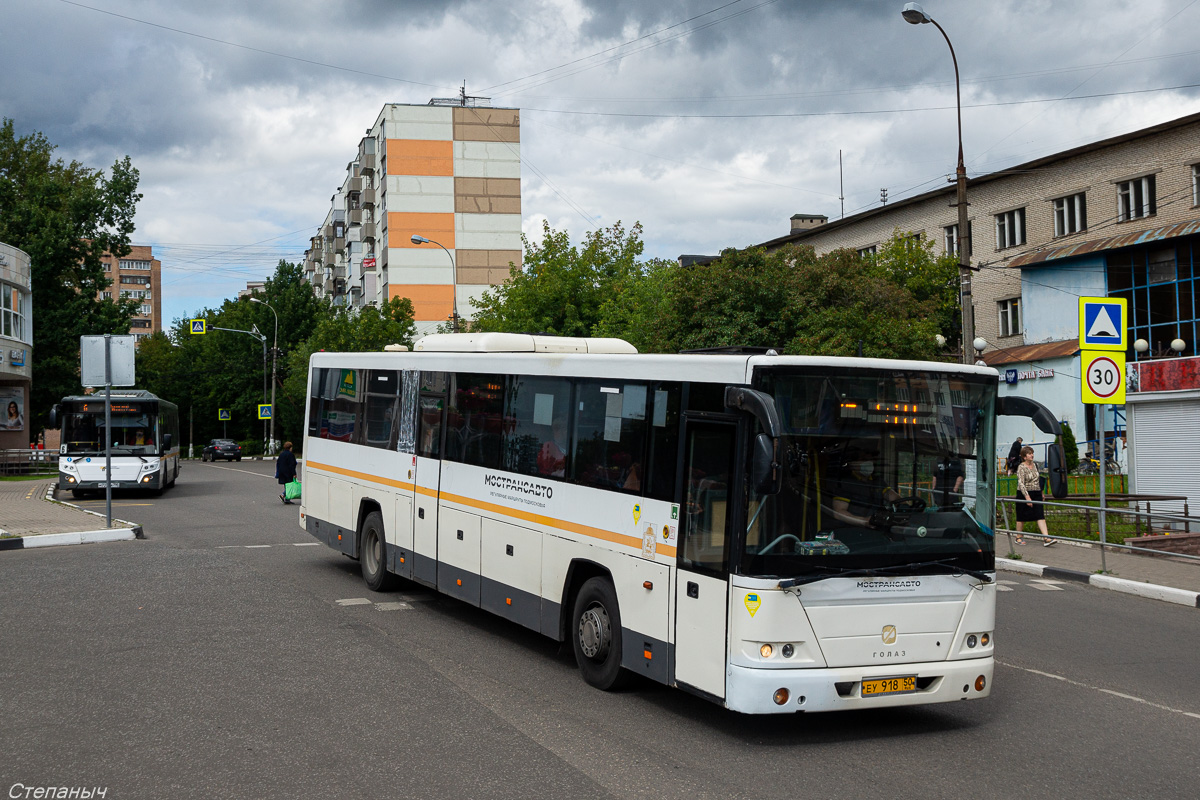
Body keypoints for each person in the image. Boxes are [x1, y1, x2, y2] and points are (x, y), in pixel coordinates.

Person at [828, 452, 902, 528]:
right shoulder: (845, 483)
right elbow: (839, 513)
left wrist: (904, 507)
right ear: (852, 464)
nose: (869, 463)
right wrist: (864, 521)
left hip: (878, 527)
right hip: (853, 529)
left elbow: (896, 499)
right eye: (864, 459)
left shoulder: (877, 481)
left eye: (871, 459)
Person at [1014, 445, 1053, 546]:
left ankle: (1046, 538)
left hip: (1036, 492)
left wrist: (1041, 492)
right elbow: (1021, 483)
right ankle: (1018, 537)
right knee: (1021, 516)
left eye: (1032, 453)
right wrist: (1027, 497)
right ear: (1024, 456)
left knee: (1040, 514)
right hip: (1024, 493)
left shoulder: (1035, 465)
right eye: (1029, 453)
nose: (1032, 455)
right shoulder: (1021, 467)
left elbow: (1038, 480)